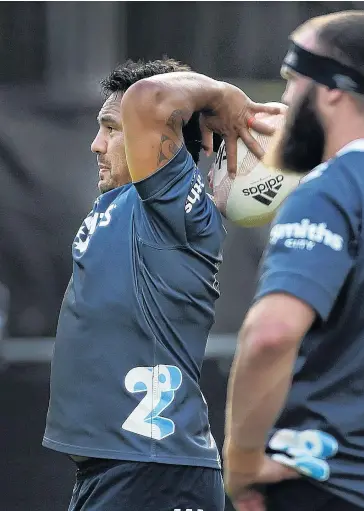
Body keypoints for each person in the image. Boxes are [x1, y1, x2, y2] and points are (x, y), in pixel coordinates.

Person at [42, 57, 280, 511]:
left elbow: (150, 100)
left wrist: (220, 95)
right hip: (123, 468)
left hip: (152, 471)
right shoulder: (128, 204)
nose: (97, 144)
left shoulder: (171, 203)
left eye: (112, 128)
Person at [223, 10, 364, 511]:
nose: (287, 99)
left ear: (332, 88)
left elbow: (271, 336)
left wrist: (242, 462)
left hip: (325, 487)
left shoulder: (330, 190)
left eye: (293, 81)